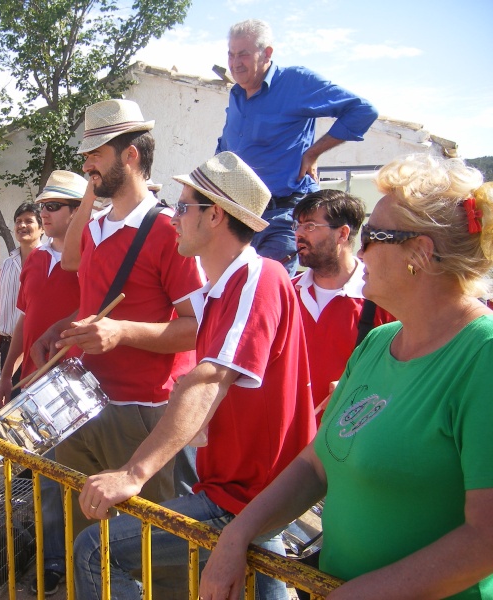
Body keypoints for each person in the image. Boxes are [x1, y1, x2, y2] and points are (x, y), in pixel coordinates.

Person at [199, 154, 493, 600]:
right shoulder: (380, 343)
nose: (360, 247)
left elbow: (486, 540)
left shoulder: (482, 356)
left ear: (421, 253)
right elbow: (317, 461)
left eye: (374, 235)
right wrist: (238, 535)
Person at [72, 151, 315, 600]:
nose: (174, 217)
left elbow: (208, 379)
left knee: (94, 551)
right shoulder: (223, 288)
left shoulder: (258, 277)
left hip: (248, 493)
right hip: (245, 487)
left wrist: (133, 472)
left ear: (215, 216)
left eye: (183, 207)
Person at [35, 99, 203, 540]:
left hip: (143, 412)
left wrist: (121, 332)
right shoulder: (94, 227)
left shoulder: (169, 229)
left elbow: (198, 329)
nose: (87, 163)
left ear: (130, 156)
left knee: (149, 545)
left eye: (97, 154)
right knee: (87, 536)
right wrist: (62, 327)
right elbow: (73, 264)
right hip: (84, 403)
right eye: (86, 155)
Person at [215, 19, 378, 274]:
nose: (235, 63)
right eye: (231, 54)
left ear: (267, 53)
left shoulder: (295, 82)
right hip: (241, 215)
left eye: (244, 54)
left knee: (264, 290)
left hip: (283, 213)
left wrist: (313, 152)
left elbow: (363, 111)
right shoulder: (236, 94)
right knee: (232, 289)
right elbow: (227, 149)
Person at [0, 170, 86, 596]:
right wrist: (7, 373)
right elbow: (24, 319)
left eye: (52, 207)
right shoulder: (34, 259)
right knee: (46, 477)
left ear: (76, 211)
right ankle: (52, 559)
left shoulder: (91, 256)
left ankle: (85, 558)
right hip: (31, 384)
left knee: (79, 475)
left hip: (75, 385)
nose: (42, 214)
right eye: (42, 206)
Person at [291, 189, 394, 420]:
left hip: (352, 442)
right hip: (289, 441)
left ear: (342, 234)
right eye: (296, 226)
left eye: (309, 226)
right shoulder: (286, 293)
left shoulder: (383, 300)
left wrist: (368, 388)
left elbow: (407, 374)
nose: (298, 234)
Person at [0, 202, 44, 382]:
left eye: (29, 221)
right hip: (7, 348)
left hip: (36, 349)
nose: (22, 226)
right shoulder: (7, 264)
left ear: (42, 228)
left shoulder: (51, 262)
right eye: (18, 221)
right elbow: (0, 310)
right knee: (7, 405)